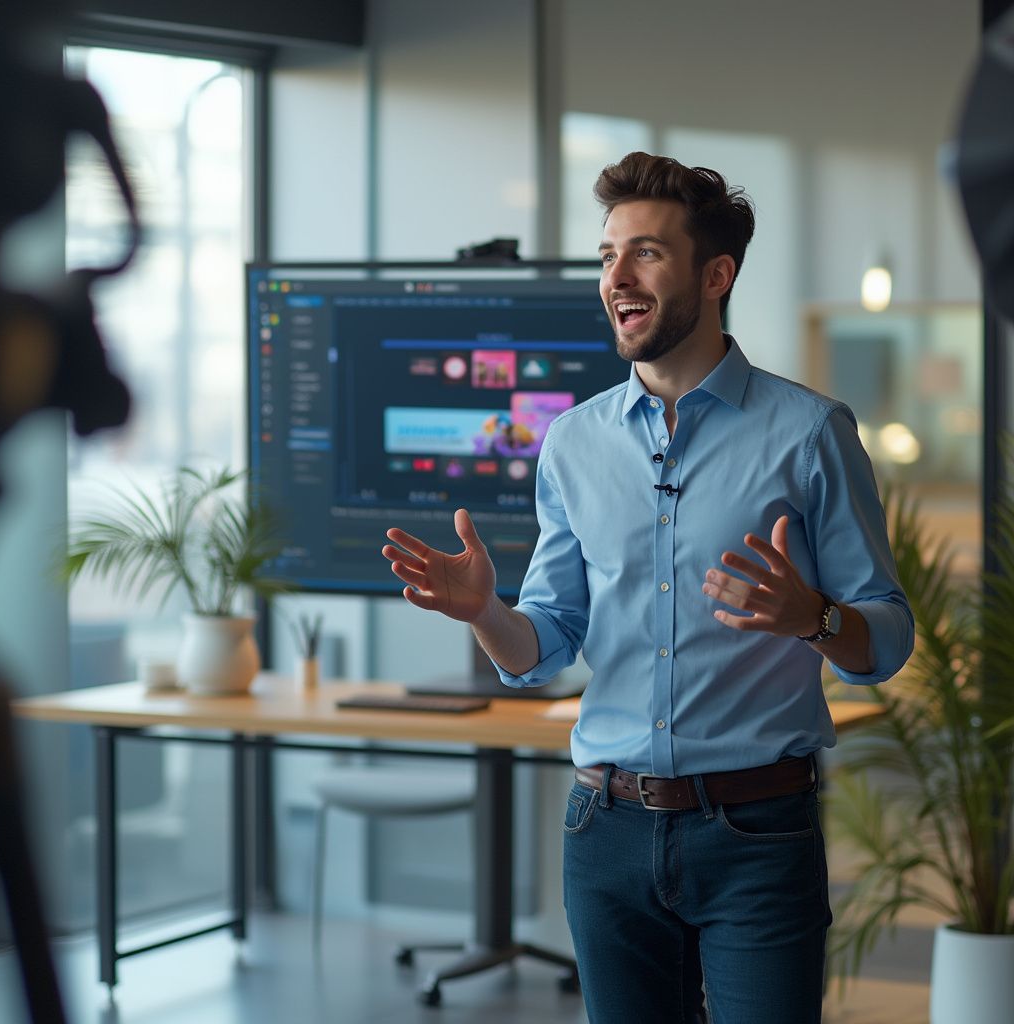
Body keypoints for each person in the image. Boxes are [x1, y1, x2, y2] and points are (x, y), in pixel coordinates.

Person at [381, 152, 913, 1024]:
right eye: (606, 255)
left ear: (716, 274)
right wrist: (485, 612)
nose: (616, 278)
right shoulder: (572, 443)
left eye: (646, 254)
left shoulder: (811, 433)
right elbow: (543, 646)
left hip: (757, 834)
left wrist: (811, 617)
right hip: (605, 830)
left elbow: (886, 641)